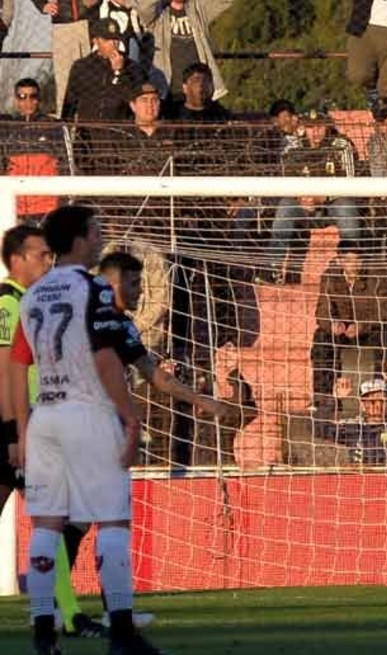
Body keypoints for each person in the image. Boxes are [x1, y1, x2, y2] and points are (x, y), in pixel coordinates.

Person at [8, 206, 223, 655]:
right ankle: (123, 633)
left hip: (45, 415)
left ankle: (43, 632)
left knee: (46, 525)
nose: (102, 236)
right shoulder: (91, 289)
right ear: (82, 239)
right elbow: (104, 356)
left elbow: (16, 363)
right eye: (97, 230)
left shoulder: (33, 295)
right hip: (87, 413)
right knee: (112, 522)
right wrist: (129, 417)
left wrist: (25, 430)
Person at [0, 225, 107, 639]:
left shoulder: (32, 301)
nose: (48, 261)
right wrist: (13, 433)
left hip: (31, 425)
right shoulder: (8, 303)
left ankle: (61, 610)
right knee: (62, 517)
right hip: (16, 428)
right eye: (41, 254)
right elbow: (5, 369)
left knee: (66, 517)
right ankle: (68, 613)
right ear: (17, 258)